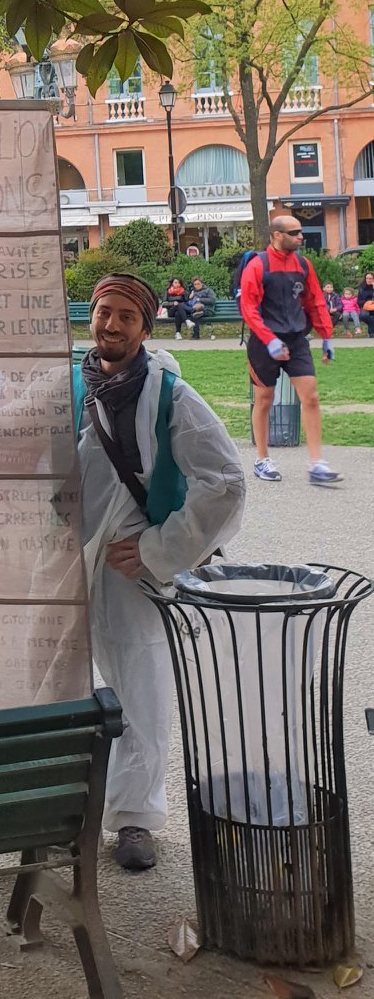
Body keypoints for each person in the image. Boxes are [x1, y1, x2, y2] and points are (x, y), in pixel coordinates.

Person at [77, 273, 245, 872]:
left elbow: (225, 481)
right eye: (104, 312)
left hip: (128, 572)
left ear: (146, 327)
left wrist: (158, 548)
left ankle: (135, 819)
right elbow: (5, 428)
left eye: (127, 315)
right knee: (59, 690)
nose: (112, 324)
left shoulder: (170, 395)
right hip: (68, 564)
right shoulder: (72, 384)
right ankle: (62, 813)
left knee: (138, 692)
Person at [239, 214, 340, 485]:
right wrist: (269, 340)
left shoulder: (303, 265)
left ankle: (316, 464)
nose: (300, 236)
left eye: (300, 231)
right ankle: (262, 460)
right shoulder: (258, 266)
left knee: (312, 398)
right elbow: (248, 307)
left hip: (296, 340)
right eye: (294, 232)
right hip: (264, 342)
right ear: (276, 235)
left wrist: (326, 337)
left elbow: (316, 300)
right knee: (264, 400)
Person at [357, 270, 374, 337]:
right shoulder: (362, 288)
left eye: (370, 278)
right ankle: (372, 331)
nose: (368, 280)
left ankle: (372, 333)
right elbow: (359, 301)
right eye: (367, 278)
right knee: (363, 316)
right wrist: (367, 303)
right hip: (366, 307)